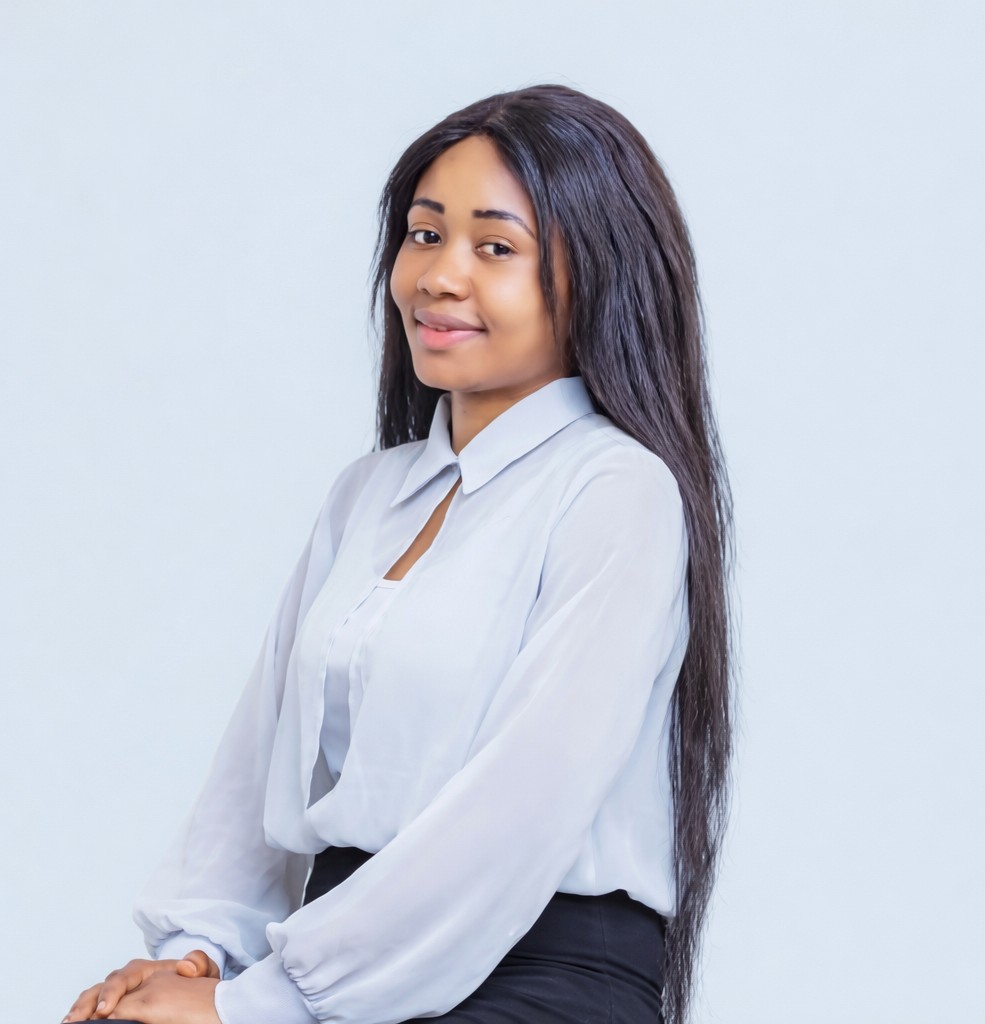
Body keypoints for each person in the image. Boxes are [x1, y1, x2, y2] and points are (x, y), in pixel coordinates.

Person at [63, 83, 733, 1024]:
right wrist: (203, 956)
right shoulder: (365, 496)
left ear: (596, 274)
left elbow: (515, 816)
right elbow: (253, 770)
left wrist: (263, 1006)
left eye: (495, 247)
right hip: (337, 963)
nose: (439, 277)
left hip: (534, 980)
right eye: (425, 235)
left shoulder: (614, 492)